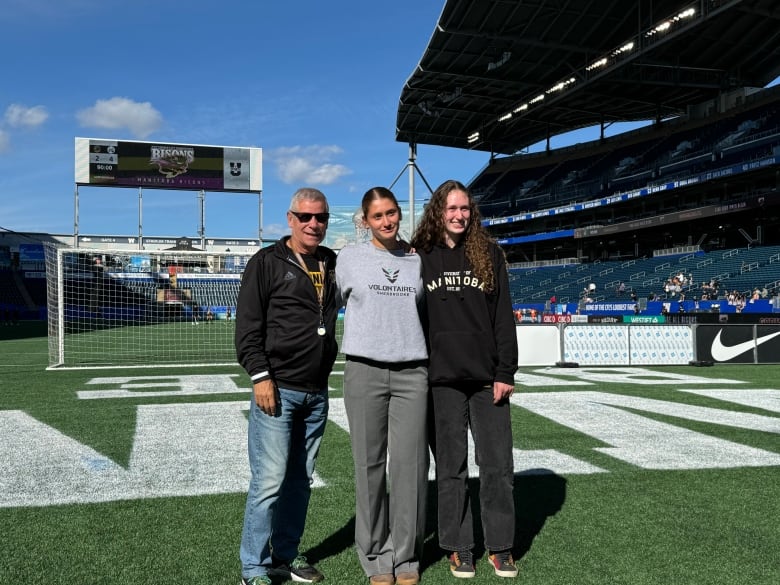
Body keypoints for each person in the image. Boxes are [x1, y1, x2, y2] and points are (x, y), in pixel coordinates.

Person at [411, 179, 519, 579]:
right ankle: (459, 547)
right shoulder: (419, 256)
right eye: (451, 209)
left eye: (465, 209)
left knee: (497, 465)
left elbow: (503, 317)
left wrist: (505, 370)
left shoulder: (489, 253)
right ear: (438, 211)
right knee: (451, 469)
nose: (459, 216)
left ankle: (501, 546)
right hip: (440, 381)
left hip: (487, 379)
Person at [235, 187, 339, 585]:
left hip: (317, 391)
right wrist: (261, 377)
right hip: (278, 388)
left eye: (321, 218)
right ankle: (253, 568)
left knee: (300, 479)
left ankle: (286, 555)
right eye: (306, 217)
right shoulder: (266, 262)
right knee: (269, 481)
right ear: (290, 219)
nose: (314, 224)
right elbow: (247, 328)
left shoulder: (331, 261)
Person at [335, 187, 429, 585]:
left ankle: (405, 556)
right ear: (365, 220)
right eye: (378, 216)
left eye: (392, 213)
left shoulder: (416, 260)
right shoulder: (348, 258)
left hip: (412, 374)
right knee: (369, 466)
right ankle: (374, 555)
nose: (388, 221)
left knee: (410, 468)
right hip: (364, 373)